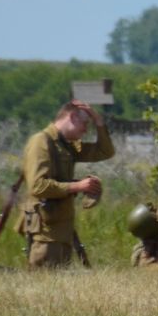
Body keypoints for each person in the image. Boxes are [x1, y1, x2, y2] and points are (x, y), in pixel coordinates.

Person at [19, 99, 115, 269]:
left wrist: (99, 122)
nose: (86, 130)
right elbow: (37, 186)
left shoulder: (65, 146)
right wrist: (77, 187)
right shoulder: (41, 142)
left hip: (61, 229)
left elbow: (105, 151)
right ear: (71, 117)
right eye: (85, 124)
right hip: (46, 232)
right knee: (44, 286)